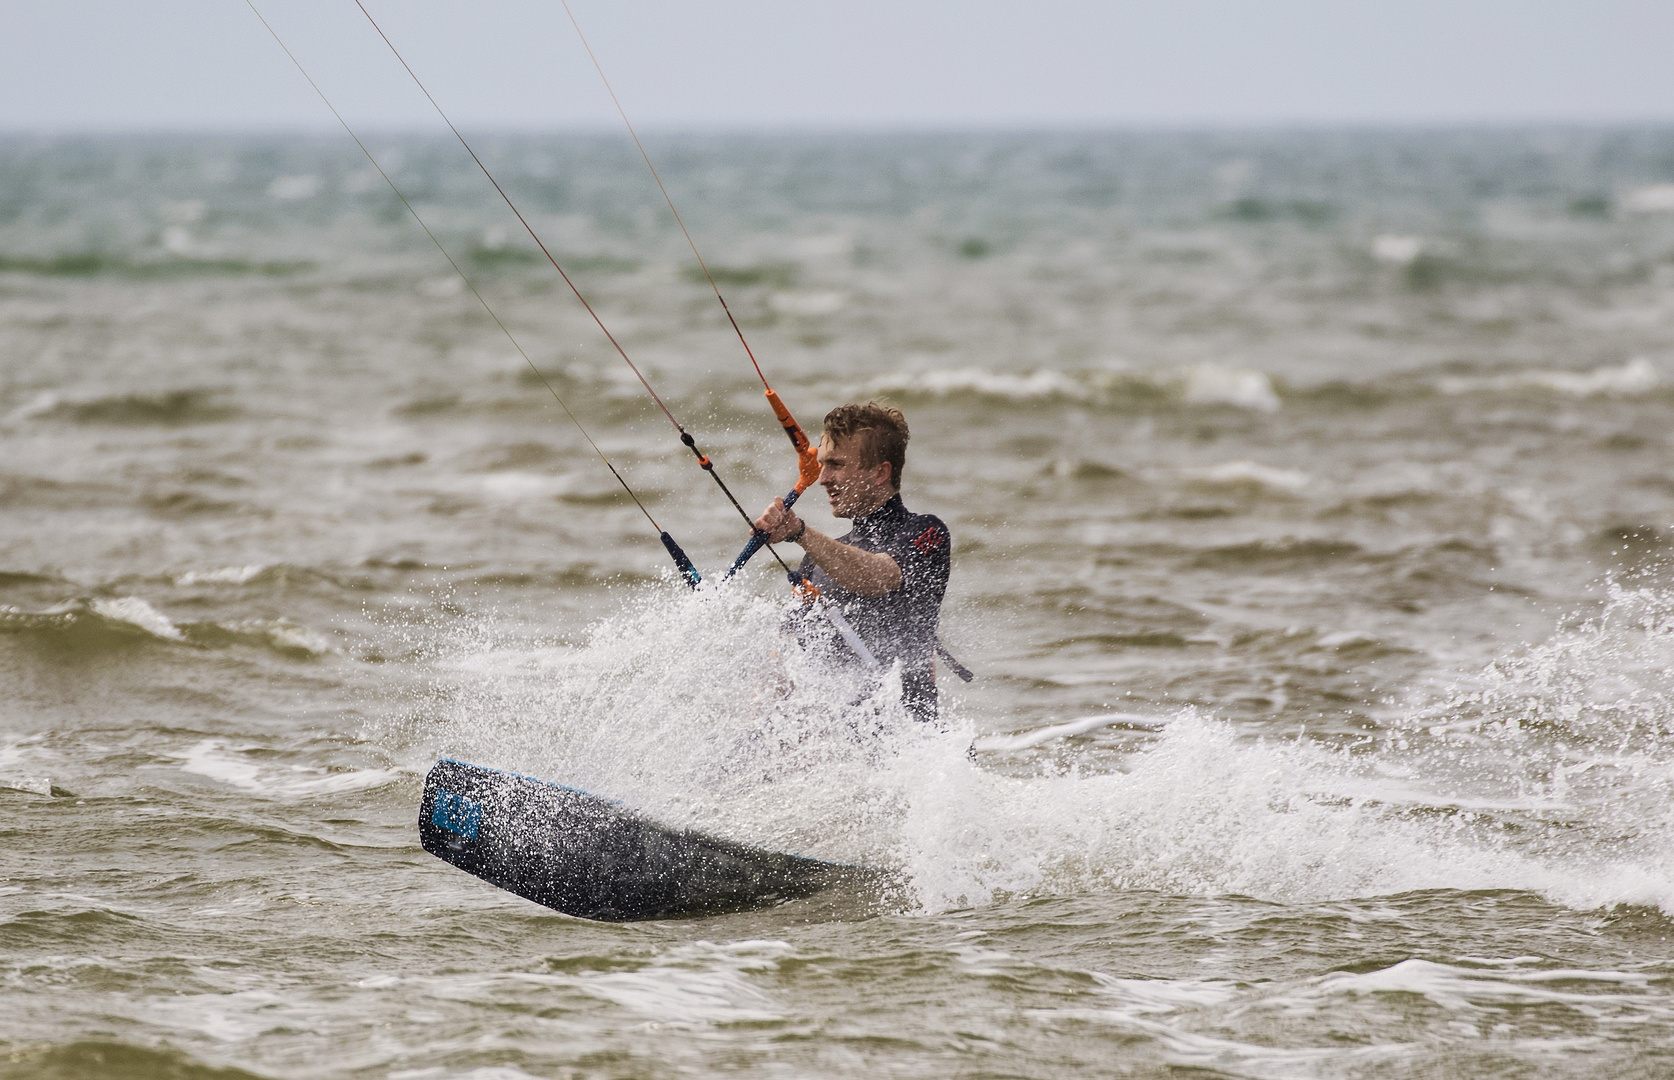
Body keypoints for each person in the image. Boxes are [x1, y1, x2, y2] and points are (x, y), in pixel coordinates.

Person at [753, 402, 953, 722]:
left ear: (879, 472)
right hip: (837, 740)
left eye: (835, 465)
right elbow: (787, 658)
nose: (822, 478)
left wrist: (798, 531)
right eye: (822, 464)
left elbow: (878, 577)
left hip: (910, 742)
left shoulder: (926, 532)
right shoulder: (818, 559)